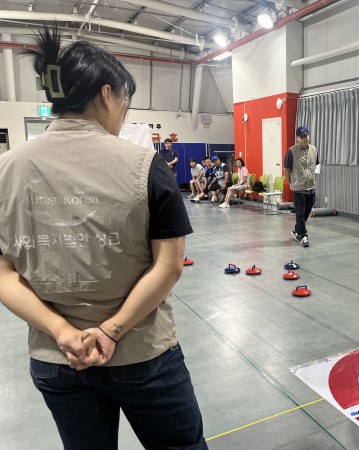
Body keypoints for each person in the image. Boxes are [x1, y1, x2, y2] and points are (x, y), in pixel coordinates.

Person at [0, 27, 209, 449]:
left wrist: (62, 330)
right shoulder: (145, 165)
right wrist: (112, 332)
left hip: (57, 358)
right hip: (142, 352)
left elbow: (4, 273)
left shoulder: (7, 168)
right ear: (108, 94)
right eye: (125, 103)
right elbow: (168, 266)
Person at [284, 126, 319, 248]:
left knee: (307, 211)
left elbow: (317, 165)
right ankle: (303, 235)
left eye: (306, 136)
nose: (304, 139)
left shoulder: (314, 149)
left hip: (311, 186)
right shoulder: (291, 151)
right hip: (298, 188)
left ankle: (296, 230)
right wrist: (291, 184)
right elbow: (286, 170)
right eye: (302, 137)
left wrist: (314, 178)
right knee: (300, 212)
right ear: (297, 138)